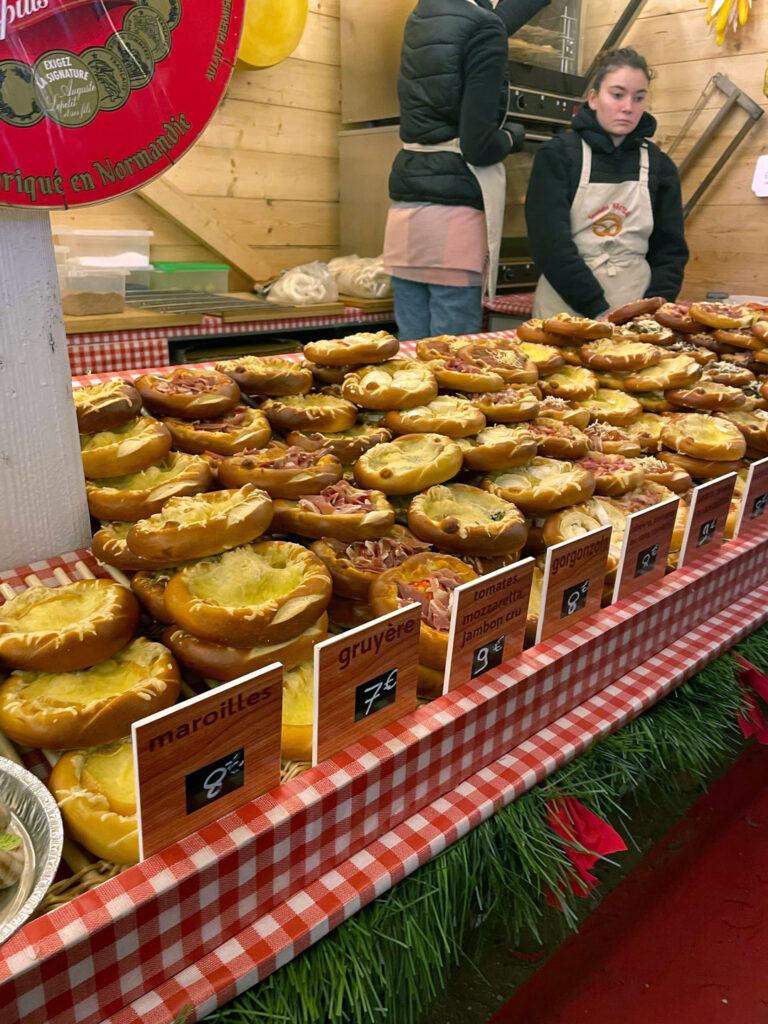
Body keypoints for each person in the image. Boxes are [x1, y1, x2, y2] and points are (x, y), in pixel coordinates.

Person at [383, 0, 549, 341]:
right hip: (454, 219)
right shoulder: (484, 27)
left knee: (409, 355)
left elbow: (483, 24)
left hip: (406, 211)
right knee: (453, 358)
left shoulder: (420, 16)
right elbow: (478, 145)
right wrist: (512, 136)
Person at [525, 48, 689, 320]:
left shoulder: (660, 166)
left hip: (635, 309)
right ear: (593, 98)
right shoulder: (558, 156)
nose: (628, 107)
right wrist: (596, 308)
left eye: (638, 98)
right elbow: (550, 245)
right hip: (565, 310)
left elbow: (670, 251)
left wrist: (652, 310)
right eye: (617, 94)